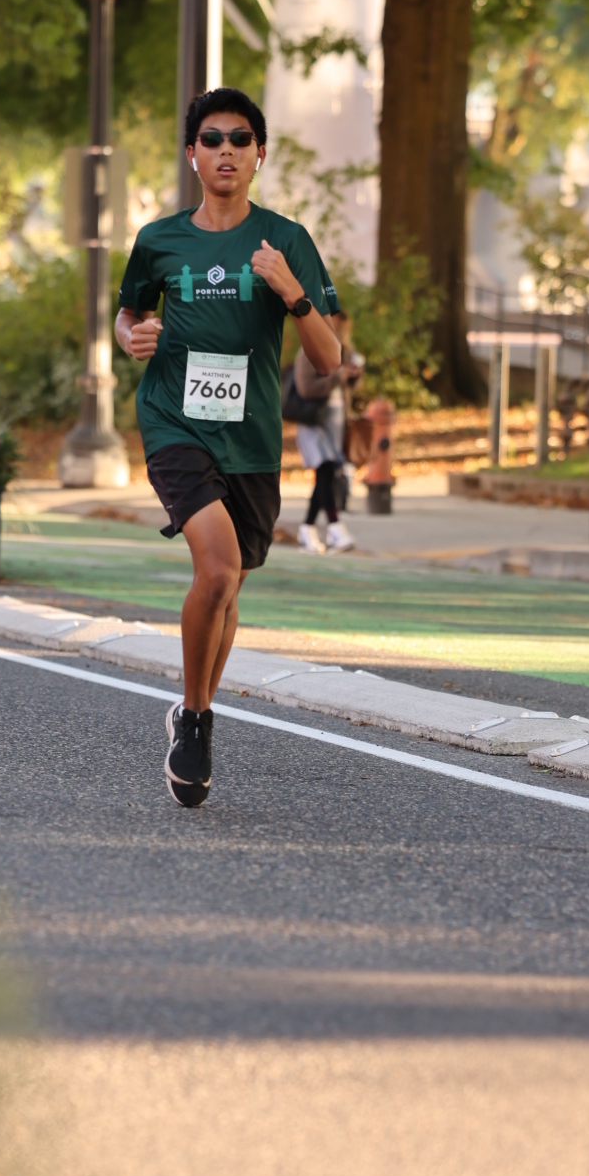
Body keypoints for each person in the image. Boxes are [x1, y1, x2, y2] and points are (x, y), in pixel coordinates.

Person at [116, 87, 342, 807]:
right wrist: (131, 337)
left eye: (240, 139)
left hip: (250, 437)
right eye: (211, 139)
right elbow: (128, 313)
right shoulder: (159, 239)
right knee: (215, 570)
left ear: (260, 154)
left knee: (231, 583)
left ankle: (198, 707)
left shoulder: (285, 240)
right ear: (192, 154)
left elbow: (329, 358)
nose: (226, 151)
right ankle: (195, 719)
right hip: (174, 422)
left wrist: (292, 292)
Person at [292, 311, 364, 552]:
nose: (341, 336)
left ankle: (307, 528)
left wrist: (353, 375)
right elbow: (306, 389)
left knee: (327, 473)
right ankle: (335, 528)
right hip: (314, 421)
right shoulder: (309, 351)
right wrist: (337, 377)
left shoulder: (345, 351)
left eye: (344, 332)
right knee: (325, 469)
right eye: (338, 330)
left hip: (335, 421)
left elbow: (351, 389)